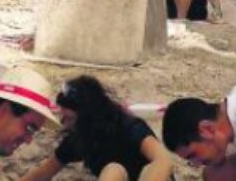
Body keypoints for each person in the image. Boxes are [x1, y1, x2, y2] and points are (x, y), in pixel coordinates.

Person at [21, 75, 174, 181]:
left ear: (87, 115)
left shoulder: (129, 127)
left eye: (69, 118)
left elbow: (163, 160)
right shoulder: (80, 138)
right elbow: (42, 174)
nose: (64, 123)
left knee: (113, 171)